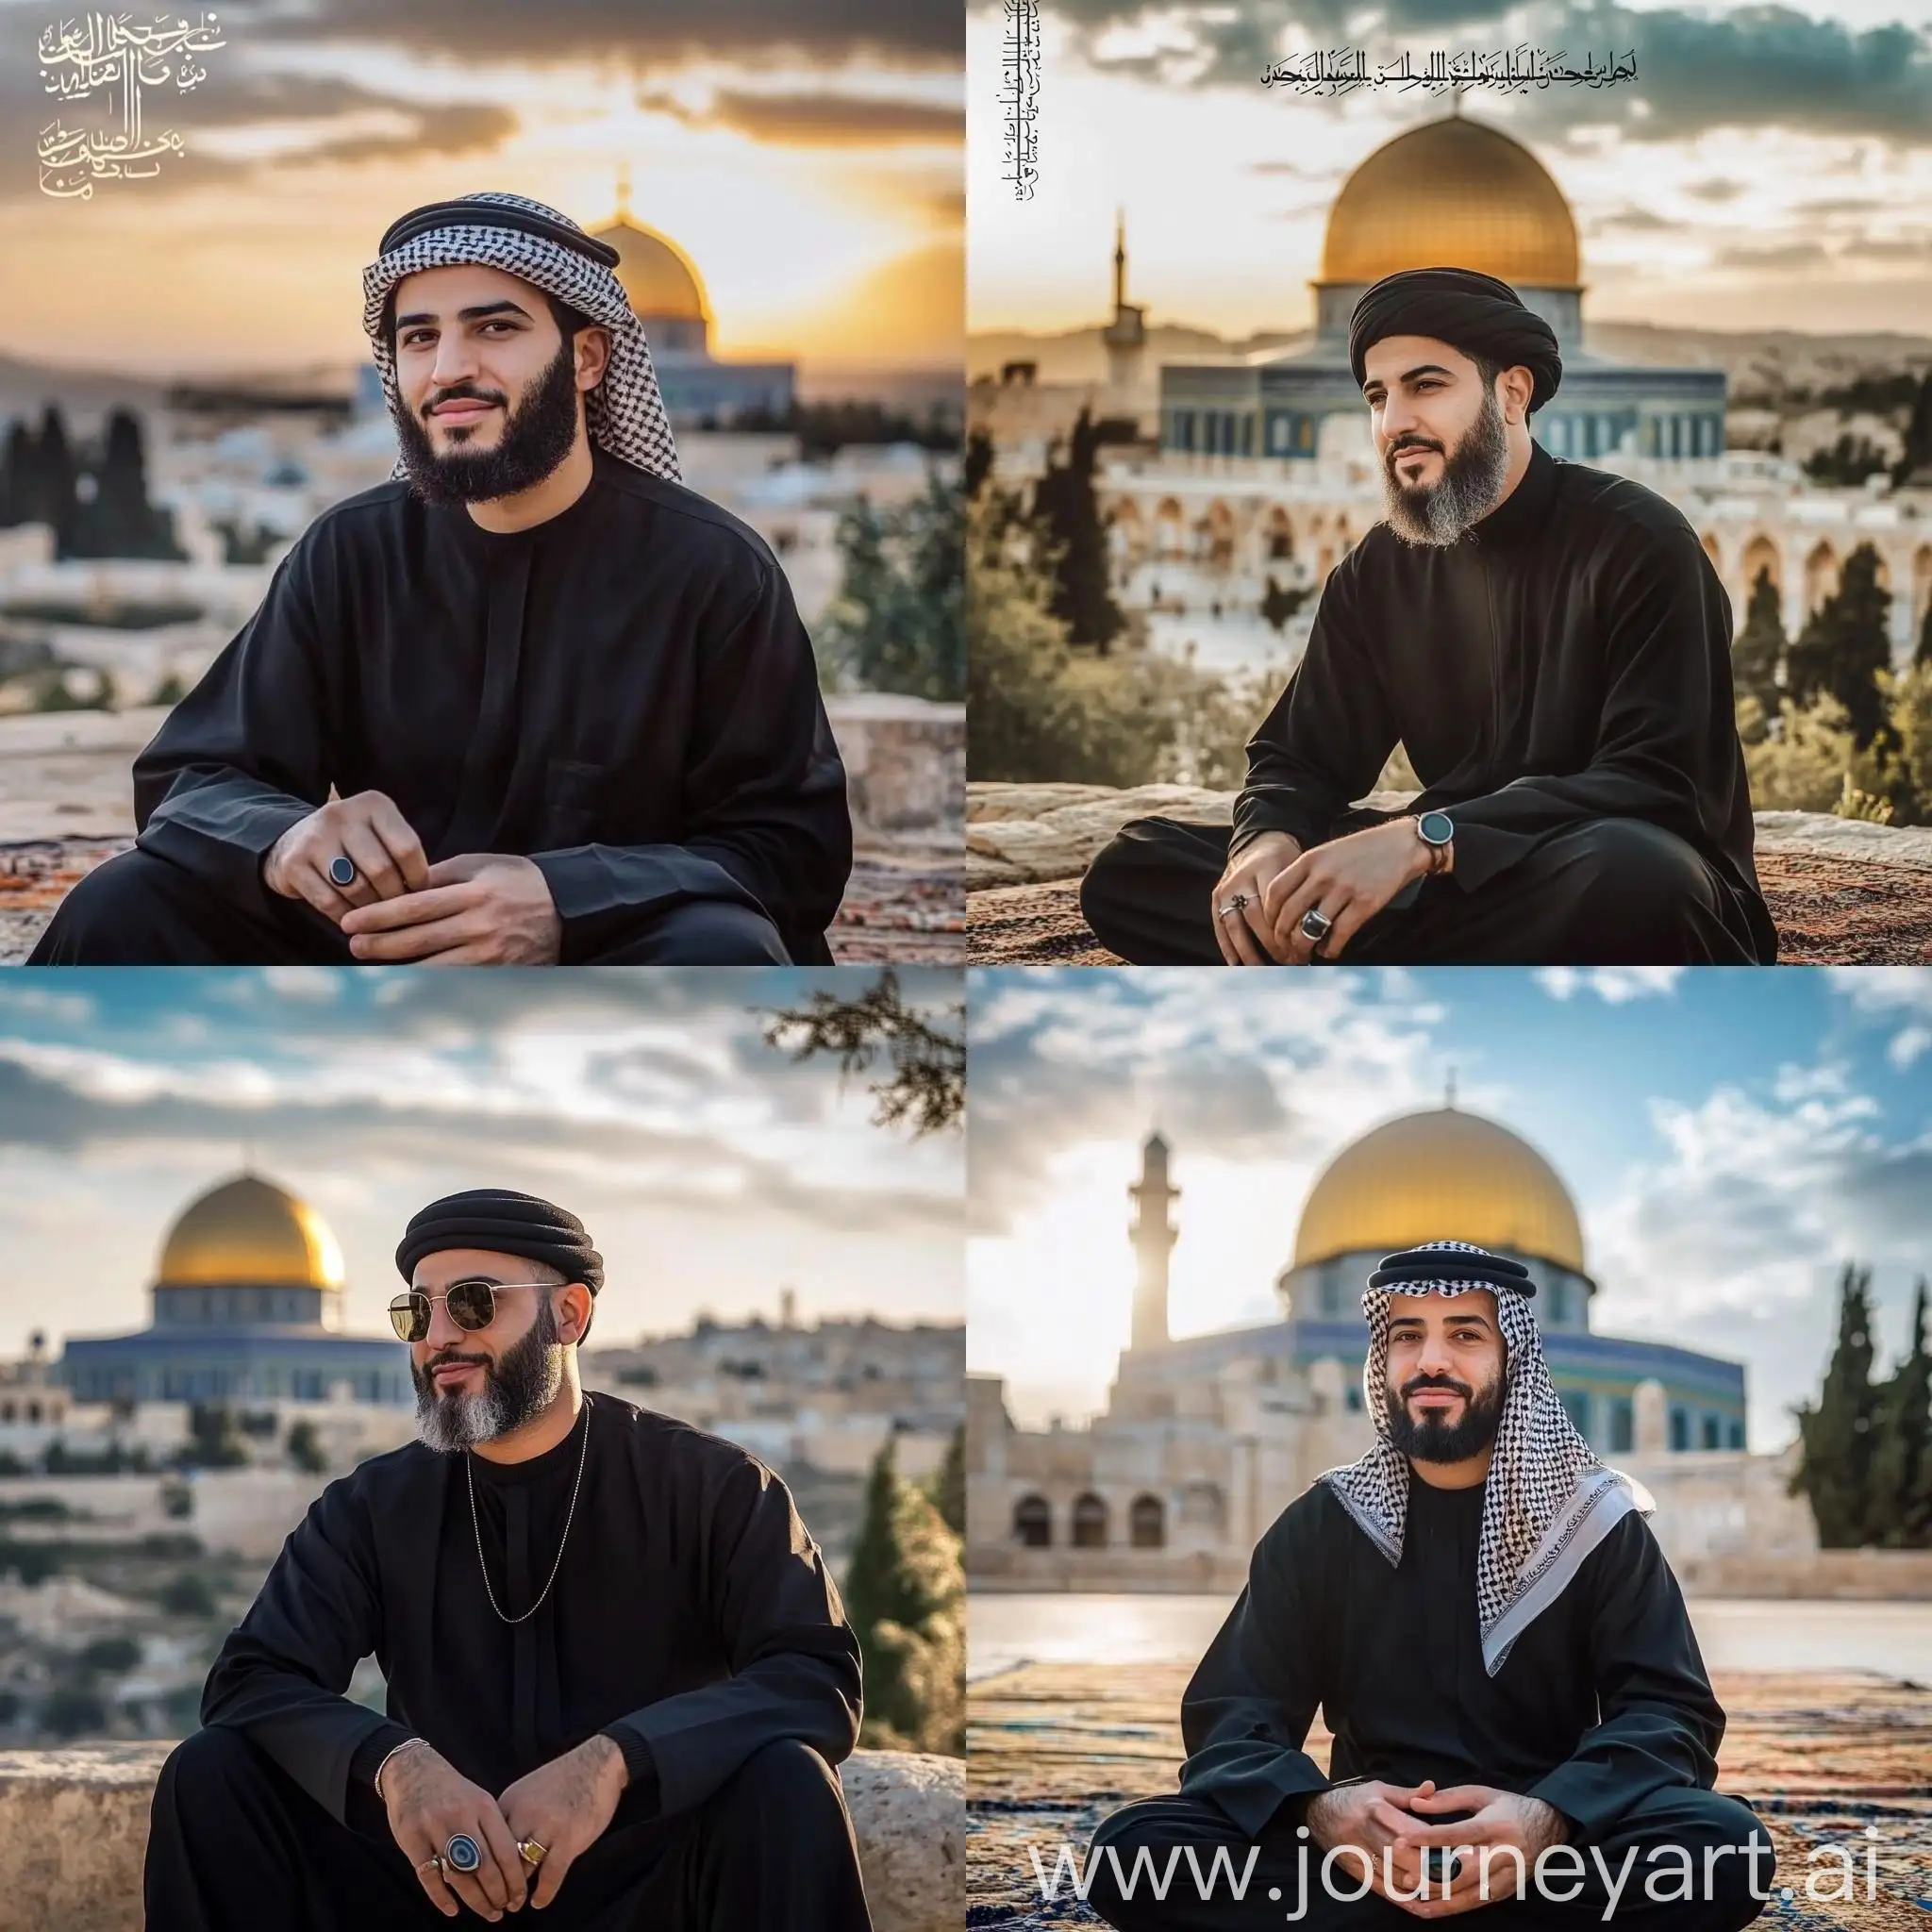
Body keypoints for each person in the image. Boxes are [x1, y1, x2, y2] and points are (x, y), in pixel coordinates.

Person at [30, 193, 851, 968]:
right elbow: (190, 778)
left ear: (588, 358)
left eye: (494, 328)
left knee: (721, 952)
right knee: (124, 901)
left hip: (603, 959)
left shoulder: (712, 570)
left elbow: (790, 851)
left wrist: (562, 900)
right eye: (419, 338)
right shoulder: (351, 552)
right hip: (379, 946)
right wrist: (285, 840)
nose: (449, 369)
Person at [144, 1189, 874, 1931]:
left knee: (790, 1782)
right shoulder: (374, 1506)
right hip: (437, 1891)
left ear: (571, 1315)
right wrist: (398, 1766)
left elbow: (815, 1677)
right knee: (211, 1776)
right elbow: (252, 1679)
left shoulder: (712, 1488)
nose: (438, 1339)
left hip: (648, 1891)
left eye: (472, 1303)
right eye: (416, 1313)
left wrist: (615, 1764)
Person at [1079, 267, 1776, 969]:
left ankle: (1346, 961)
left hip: (1587, 871)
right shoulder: (1385, 566)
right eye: (1377, 397)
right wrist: (1265, 843)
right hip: (1452, 890)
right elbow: (1300, 758)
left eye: (1427, 386)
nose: (1396, 422)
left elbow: (1658, 783)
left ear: (1512, 392)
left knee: (1636, 876)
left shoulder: (1639, 541)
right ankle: (1397, 960)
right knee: (1135, 865)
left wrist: (1428, 838)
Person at [1084, 1240, 1774, 1929]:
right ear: (1382, 1360)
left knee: (1726, 1851)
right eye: (1408, 1335)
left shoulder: (1591, 1523)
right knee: (1129, 1855)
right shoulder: (1326, 1524)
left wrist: (1551, 1817)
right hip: (1364, 1853)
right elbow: (1235, 1712)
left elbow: (1668, 1713)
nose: (1432, 1361)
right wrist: (1320, 1810)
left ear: (1514, 1358)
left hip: (1541, 1848)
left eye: (1465, 1335)